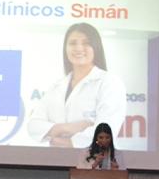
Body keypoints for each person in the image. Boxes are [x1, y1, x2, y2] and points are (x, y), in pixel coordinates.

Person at [25, 23, 128, 151]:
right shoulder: (56, 86)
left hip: (97, 163)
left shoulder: (109, 82)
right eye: (72, 43)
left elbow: (107, 130)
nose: (79, 48)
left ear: (96, 47)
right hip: (58, 162)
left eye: (86, 43)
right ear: (65, 48)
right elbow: (33, 125)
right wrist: (67, 128)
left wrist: (71, 143)